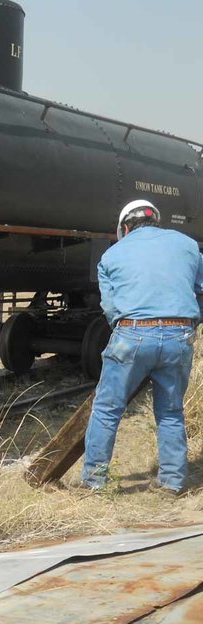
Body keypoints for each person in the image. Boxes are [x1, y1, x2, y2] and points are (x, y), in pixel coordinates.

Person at [82, 199, 203, 495]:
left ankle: (95, 483)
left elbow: (110, 309)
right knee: (171, 411)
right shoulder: (188, 246)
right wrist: (189, 324)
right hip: (179, 335)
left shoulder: (111, 255)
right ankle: (172, 483)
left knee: (107, 409)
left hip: (132, 335)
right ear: (156, 221)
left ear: (125, 227)